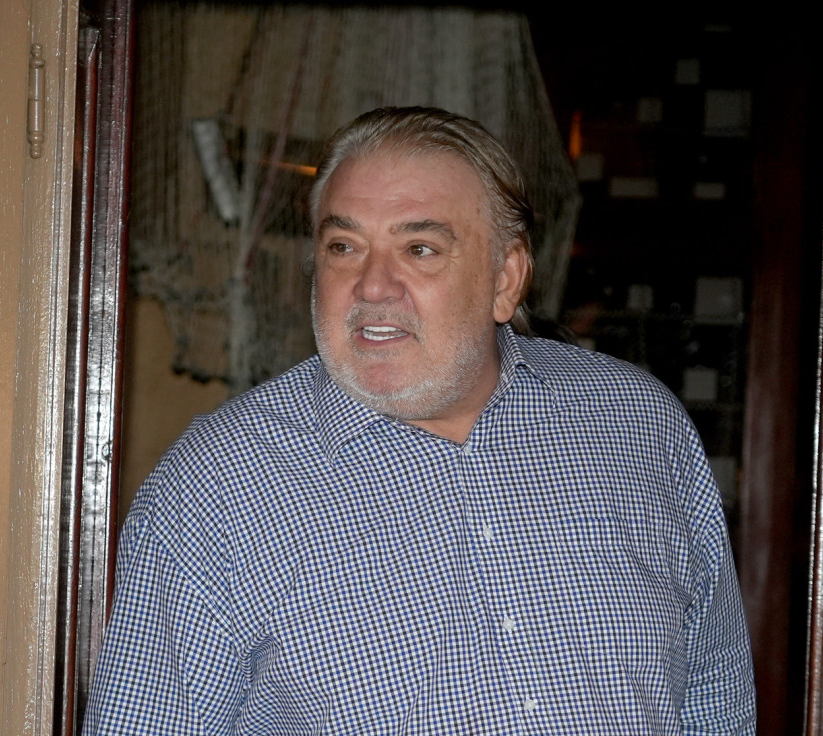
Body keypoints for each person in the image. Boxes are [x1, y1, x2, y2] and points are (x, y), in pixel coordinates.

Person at [84, 106, 756, 734]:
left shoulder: (636, 426)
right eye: (344, 246)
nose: (373, 286)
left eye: (420, 249)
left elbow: (716, 700)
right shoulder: (218, 483)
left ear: (505, 280)